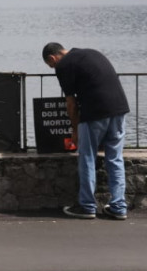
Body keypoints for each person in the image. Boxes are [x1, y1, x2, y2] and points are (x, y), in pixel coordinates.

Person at [42, 42, 129, 220]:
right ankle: (119, 207)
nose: (53, 68)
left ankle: (87, 206)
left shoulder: (64, 65)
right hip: (119, 109)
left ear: (53, 58)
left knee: (87, 157)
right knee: (115, 158)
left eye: (51, 65)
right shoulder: (91, 53)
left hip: (95, 112)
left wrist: (75, 131)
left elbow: (71, 104)